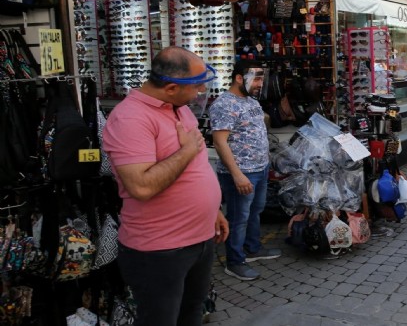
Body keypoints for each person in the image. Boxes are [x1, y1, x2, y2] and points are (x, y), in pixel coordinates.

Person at [103, 46, 229, 326]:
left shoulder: (179, 108)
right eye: (196, 88)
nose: (199, 93)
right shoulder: (130, 119)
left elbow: (196, 167)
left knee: (192, 312)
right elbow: (142, 187)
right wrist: (184, 151)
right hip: (159, 250)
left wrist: (213, 211)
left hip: (199, 239)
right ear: (171, 87)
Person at [210, 62, 281, 281]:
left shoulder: (251, 101)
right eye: (257, 79)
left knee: (255, 210)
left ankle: (253, 248)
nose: (260, 84)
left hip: (259, 168)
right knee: (238, 217)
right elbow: (220, 142)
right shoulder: (224, 104)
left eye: (261, 78)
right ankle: (235, 261)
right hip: (241, 173)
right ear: (239, 78)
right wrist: (237, 174)